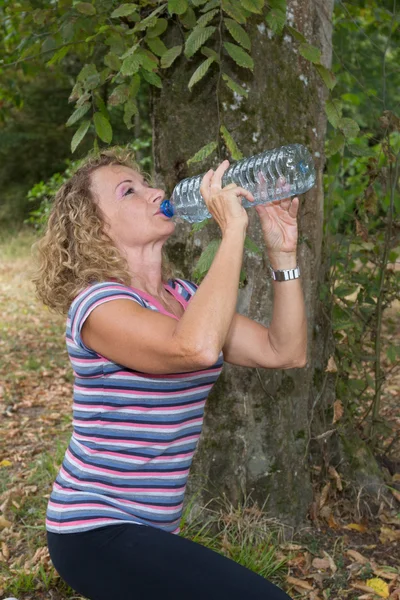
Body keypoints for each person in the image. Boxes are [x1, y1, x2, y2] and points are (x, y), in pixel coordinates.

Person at [31, 146, 307, 600]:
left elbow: (285, 350)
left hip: (156, 530)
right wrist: (234, 228)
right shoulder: (96, 306)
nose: (154, 191)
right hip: (94, 529)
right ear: (96, 226)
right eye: (129, 191)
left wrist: (283, 251)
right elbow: (195, 348)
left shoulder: (185, 297)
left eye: (146, 181)